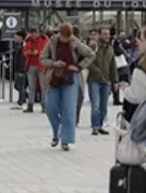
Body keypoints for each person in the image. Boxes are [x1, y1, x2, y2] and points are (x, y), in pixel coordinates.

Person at [39, 23, 94, 152]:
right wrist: (54, 63)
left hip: (71, 78)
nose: (66, 40)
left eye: (68, 37)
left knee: (69, 108)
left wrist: (79, 67)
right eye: (64, 37)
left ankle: (66, 139)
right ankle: (57, 130)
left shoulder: (76, 43)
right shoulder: (52, 42)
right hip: (55, 77)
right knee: (50, 105)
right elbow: (42, 58)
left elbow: (91, 54)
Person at [87, 27, 118, 136]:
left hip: (106, 80)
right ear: (99, 35)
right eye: (104, 34)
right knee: (95, 105)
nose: (107, 36)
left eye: (108, 34)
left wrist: (115, 81)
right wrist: (96, 70)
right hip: (94, 80)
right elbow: (86, 60)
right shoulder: (93, 46)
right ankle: (95, 127)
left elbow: (113, 65)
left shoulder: (110, 49)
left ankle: (100, 126)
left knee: (104, 106)